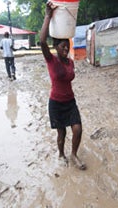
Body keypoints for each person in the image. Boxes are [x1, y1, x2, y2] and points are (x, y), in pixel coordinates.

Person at [40, 1, 86, 170]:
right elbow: (42, 41)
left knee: (78, 130)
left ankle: (74, 154)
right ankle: (61, 154)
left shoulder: (71, 62)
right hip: (56, 103)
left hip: (70, 102)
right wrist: (48, 15)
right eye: (62, 46)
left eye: (67, 46)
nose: (66, 48)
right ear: (56, 47)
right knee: (62, 133)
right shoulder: (51, 60)